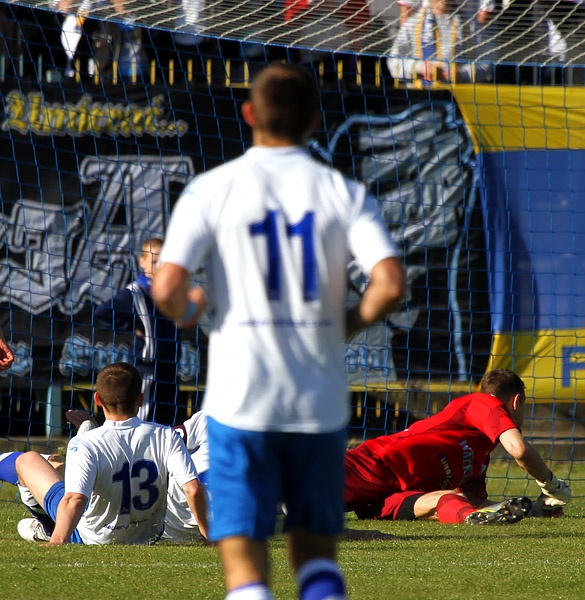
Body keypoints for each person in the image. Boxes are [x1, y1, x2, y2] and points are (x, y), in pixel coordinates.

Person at [152, 63, 406, 600]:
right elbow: (389, 283)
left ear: (248, 114)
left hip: (239, 401)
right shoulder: (343, 192)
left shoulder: (211, 189)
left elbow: (166, 288)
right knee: (315, 557)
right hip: (317, 401)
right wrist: (350, 322)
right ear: (315, 119)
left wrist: (192, 306)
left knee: (245, 566)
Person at [2, 362, 209, 545]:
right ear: (140, 399)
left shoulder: (85, 443)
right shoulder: (166, 435)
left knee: (27, 461)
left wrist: (58, 541)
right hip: (148, 534)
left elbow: (75, 499)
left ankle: (49, 528)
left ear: (97, 399)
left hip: (92, 536)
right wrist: (210, 536)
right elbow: (192, 488)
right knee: (58, 467)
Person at [345, 369, 572, 525]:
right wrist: (552, 485)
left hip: (385, 498)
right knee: (311, 503)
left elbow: (479, 503)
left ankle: (469, 520)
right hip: (371, 467)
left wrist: (534, 509)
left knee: (449, 500)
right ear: (517, 401)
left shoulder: (479, 456)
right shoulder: (483, 402)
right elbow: (519, 450)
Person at [95, 238, 187, 426]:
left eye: (163, 260)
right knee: (145, 422)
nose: (159, 266)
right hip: (147, 368)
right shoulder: (135, 292)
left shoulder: (169, 292)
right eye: (154, 261)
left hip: (169, 368)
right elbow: (102, 312)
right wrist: (132, 328)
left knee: (169, 425)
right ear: (142, 262)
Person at [387, 0, 491, 85]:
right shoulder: (412, 24)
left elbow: (489, 62)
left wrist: (462, 73)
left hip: (459, 97)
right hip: (419, 95)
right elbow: (393, 63)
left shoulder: (471, 25)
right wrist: (419, 67)